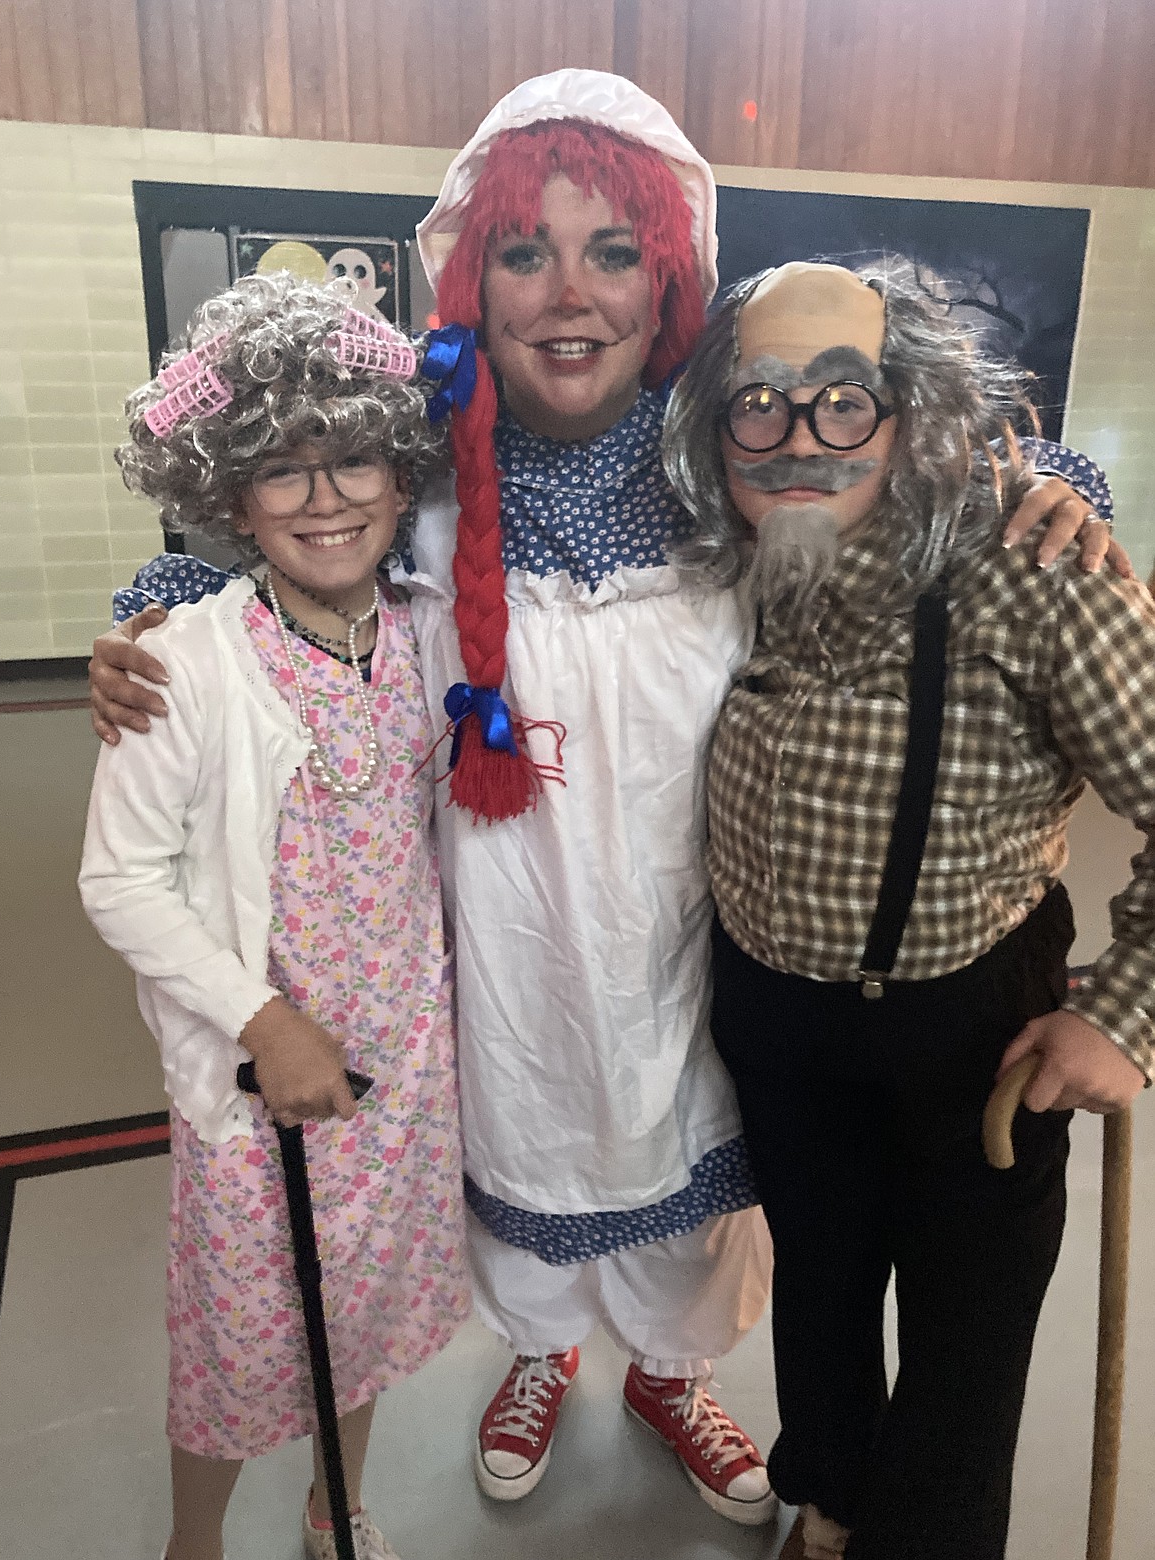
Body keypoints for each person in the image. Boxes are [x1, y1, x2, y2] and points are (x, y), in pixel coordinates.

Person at [85, 71, 1117, 1527]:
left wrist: (1059, 481)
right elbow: (266, 561)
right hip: (502, 942)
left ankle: (668, 1373)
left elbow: (915, 456)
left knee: (689, 1179)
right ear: (476, 278)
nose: (567, 293)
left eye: (610, 251)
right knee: (528, 1150)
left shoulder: (741, 460)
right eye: (525, 253)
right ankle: (545, 1350)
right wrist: (145, 619)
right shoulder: (418, 470)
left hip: (698, 945)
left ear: (665, 277)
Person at [662, 258, 1153, 1560]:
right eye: (758, 404)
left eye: (844, 398)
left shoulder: (1028, 559)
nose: (800, 440)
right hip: (775, 1034)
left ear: (910, 408)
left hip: (970, 1046)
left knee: (961, 1355)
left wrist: (1122, 1017)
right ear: (717, 426)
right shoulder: (715, 562)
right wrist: (176, 607)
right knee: (816, 1297)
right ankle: (823, 1496)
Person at [78, 273, 469, 1560]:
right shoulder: (183, 663)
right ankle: (198, 1538)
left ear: (401, 477)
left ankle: (333, 1504)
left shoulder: (434, 639)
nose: (325, 497)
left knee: (359, 1316)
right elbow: (119, 879)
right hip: (258, 1077)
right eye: (284, 471)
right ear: (232, 497)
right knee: (241, 1323)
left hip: (404, 1061)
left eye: (354, 459)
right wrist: (263, 1019)